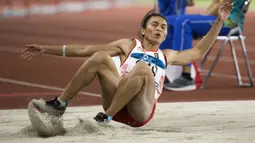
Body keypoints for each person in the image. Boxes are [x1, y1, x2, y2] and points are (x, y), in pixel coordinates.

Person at [21, 3, 232, 128]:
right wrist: (46, 49)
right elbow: (87, 50)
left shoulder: (166, 55)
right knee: (101, 56)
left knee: (142, 69)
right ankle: (60, 104)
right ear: (142, 30)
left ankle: (104, 118)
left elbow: (198, 51)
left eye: (164, 27)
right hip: (117, 98)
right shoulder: (128, 45)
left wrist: (219, 21)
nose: (160, 30)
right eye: (155, 25)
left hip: (140, 110)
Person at [160, 0, 247, 91]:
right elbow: (216, 2)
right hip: (215, 17)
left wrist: (204, 16)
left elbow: (222, 4)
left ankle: (186, 76)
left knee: (184, 22)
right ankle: (168, 72)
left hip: (228, 23)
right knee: (168, 21)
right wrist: (203, 15)